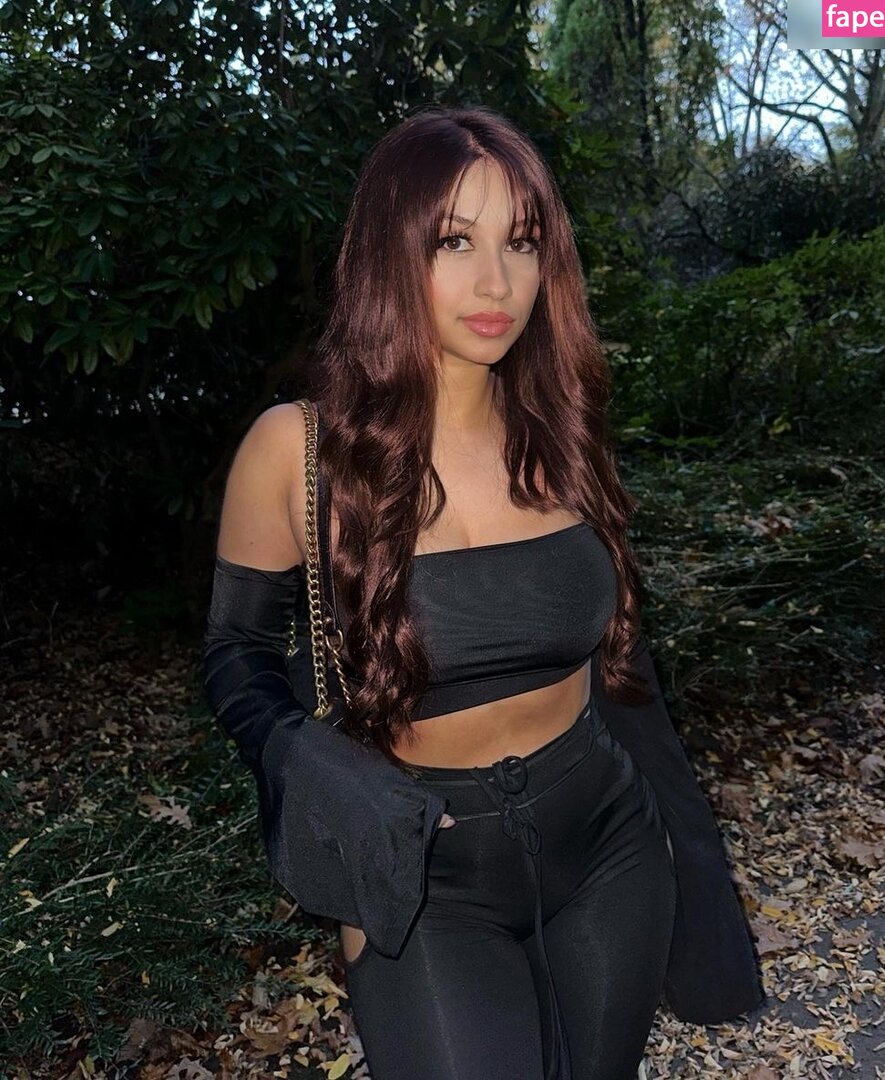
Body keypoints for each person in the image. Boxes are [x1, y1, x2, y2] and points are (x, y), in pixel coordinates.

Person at [202, 105, 764, 1080]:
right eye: (455, 241)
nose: (496, 282)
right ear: (389, 251)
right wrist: (310, 762)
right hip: (422, 872)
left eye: (523, 241)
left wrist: (691, 852)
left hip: (608, 843)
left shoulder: (561, 430)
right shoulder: (297, 450)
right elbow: (236, 654)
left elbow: (625, 663)